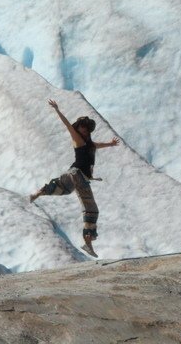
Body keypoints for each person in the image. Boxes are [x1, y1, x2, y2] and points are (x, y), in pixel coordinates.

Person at [29, 99, 120, 258]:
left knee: (62, 189)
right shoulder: (77, 140)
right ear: (78, 128)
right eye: (82, 129)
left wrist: (110, 144)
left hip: (73, 174)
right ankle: (88, 243)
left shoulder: (89, 143)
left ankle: (37, 193)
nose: (84, 132)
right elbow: (67, 126)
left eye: (86, 131)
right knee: (91, 210)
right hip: (78, 175)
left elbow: (97, 145)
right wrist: (57, 110)